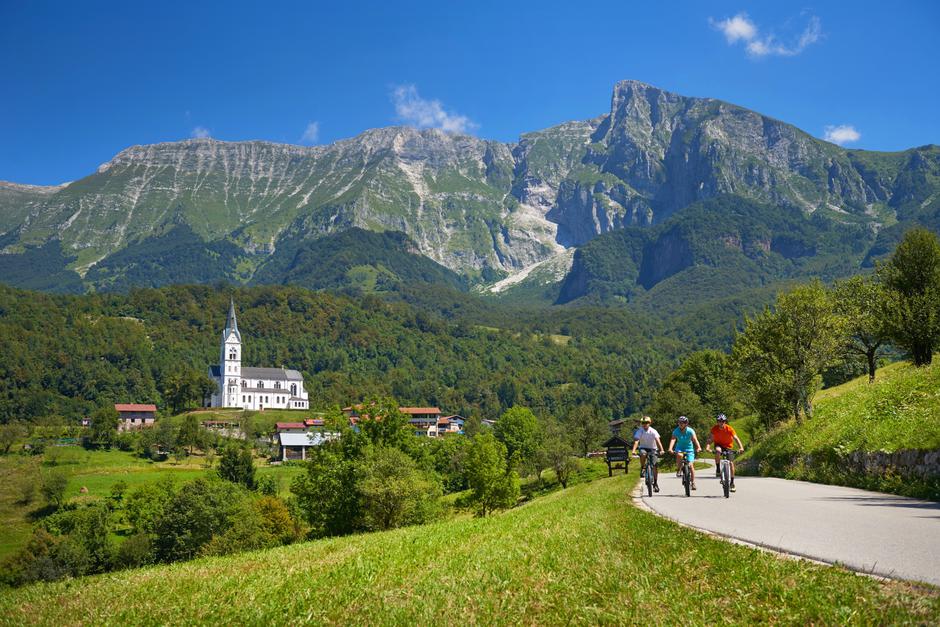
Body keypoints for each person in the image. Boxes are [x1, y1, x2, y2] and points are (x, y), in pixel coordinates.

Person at [706, 413, 745, 492]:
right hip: (718, 445)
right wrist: (708, 447)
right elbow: (710, 439)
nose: (721, 423)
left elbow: (736, 438)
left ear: (725, 421)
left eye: (723, 421)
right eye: (719, 421)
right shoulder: (714, 429)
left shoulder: (729, 428)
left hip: (728, 447)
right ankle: (717, 468)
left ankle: (732, 483)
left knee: (731, 463)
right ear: (717, 422)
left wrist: (741, 447)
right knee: (718, 451)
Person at [630, 416, 664, 492]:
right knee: (643, 454)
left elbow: (658, 441)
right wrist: (633, 450)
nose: (644, 424)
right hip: (643, 447)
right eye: (643, 423)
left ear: (650, 423)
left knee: (655, 466)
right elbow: (636, 441)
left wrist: (661, 450)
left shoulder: (653, 431)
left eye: (646, 423)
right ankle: (643, 467)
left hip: (653, 448)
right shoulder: (640, 431)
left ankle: (655, 483)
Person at [668, 415, 702, 490]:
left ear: (686, 423)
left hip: (689, 449)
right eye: (680, 422)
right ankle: (679, 469)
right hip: (679, 448)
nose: (681, 424)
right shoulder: (676, 431)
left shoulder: (690, 431)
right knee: (679, 455)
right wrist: (670, 448)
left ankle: (693, 483)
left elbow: (695, 440)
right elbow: (673, 440)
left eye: (683, 422)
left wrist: (698, 447)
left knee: (691, 466)